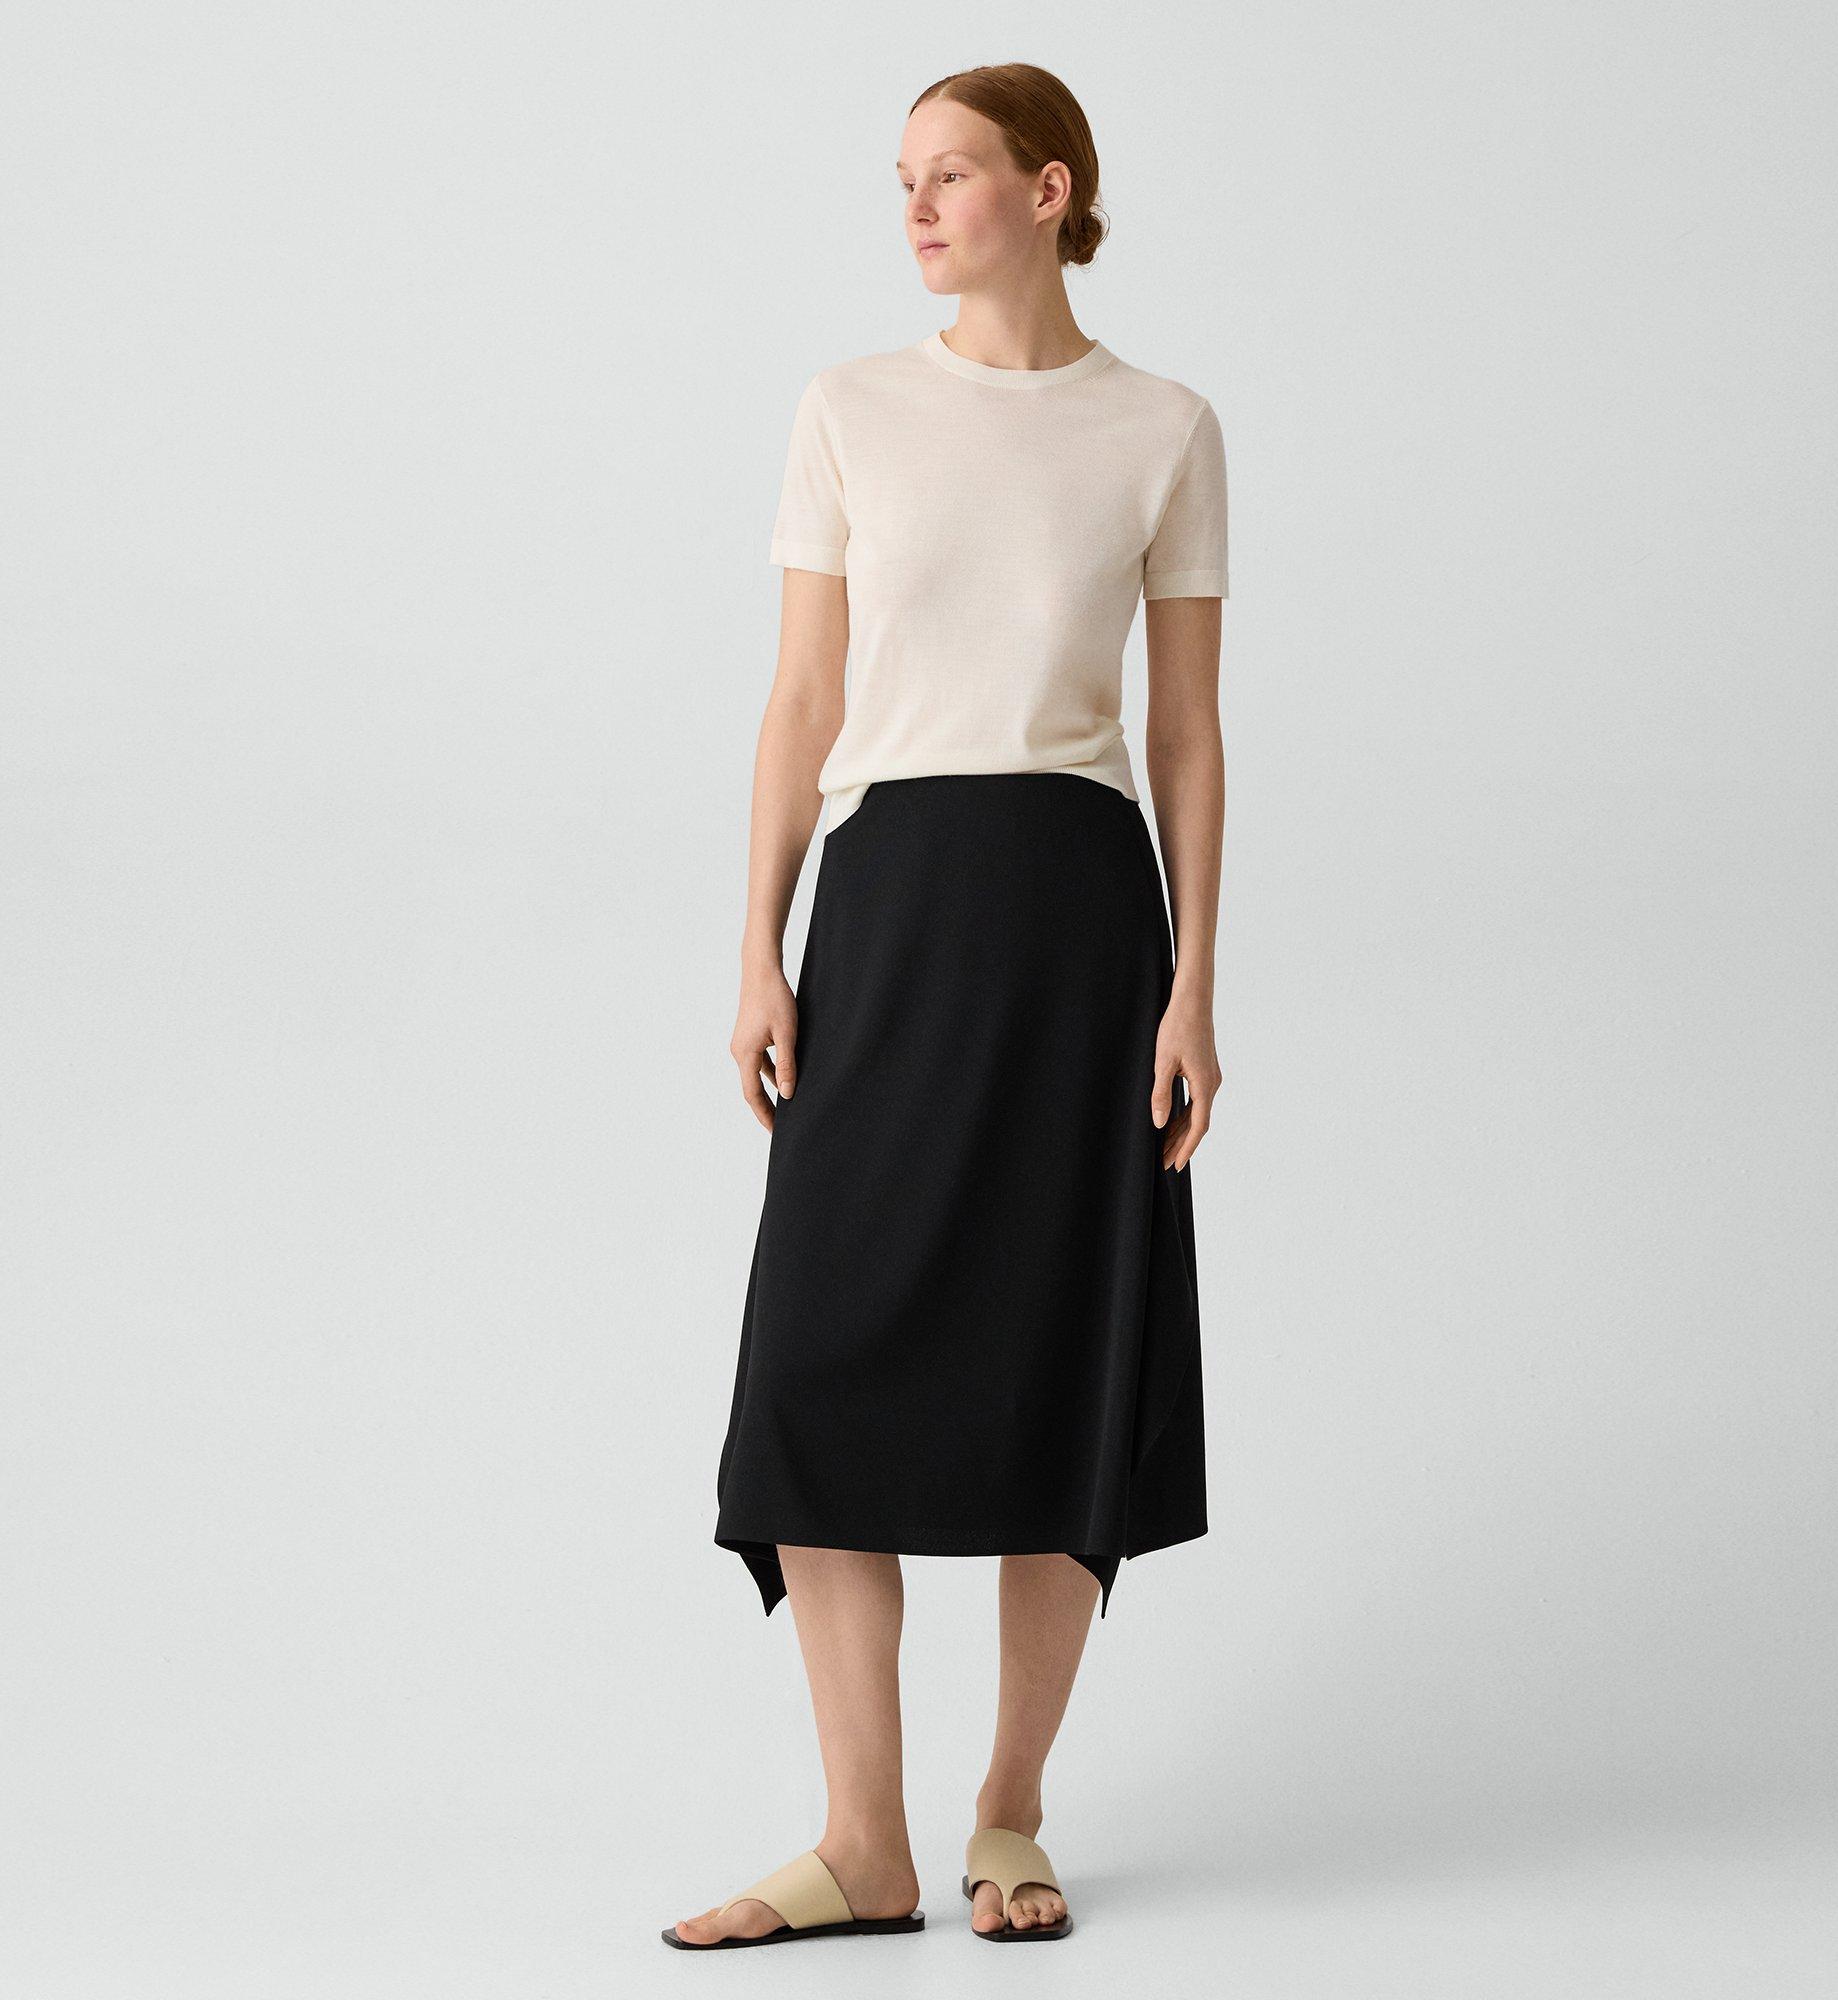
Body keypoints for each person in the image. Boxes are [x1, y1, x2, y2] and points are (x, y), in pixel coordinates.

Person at [664, 61, 1228, 1953]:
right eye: (900, 177)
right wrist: (760, 945)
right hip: (891, 908)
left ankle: (1007, 1813)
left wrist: (1196, 985)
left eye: (952, 174)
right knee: (817, 1363)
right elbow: (802, 701)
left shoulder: (1162, 427)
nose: (913, 206)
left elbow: (1186, 734)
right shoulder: (849, 410)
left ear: (1050, 191)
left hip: (1078, 924)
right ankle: (862, 1841)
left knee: (1062, 1350)